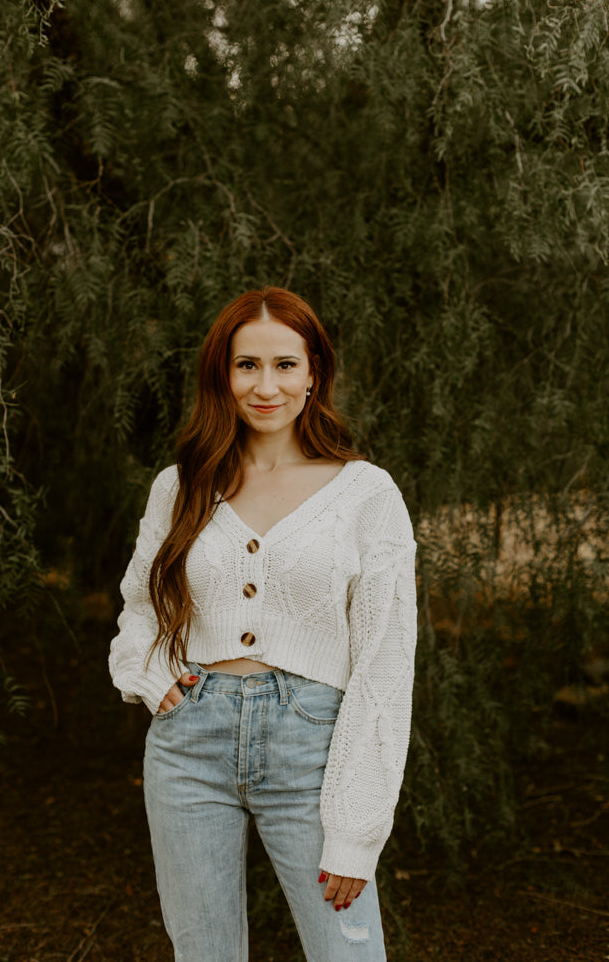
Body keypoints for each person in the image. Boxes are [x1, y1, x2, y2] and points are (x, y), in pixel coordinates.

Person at [108, 286, 417, 962]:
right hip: (188, 744)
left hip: (311, 746)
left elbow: (385, 665)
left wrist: (356, 832)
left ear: (314, 374)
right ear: (222, 373)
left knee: (348, 954)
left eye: (284, 365)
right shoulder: (181, 485)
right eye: (246, 365)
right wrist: (147, 670)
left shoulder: (365, 494)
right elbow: (140, 605)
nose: (265, 385)